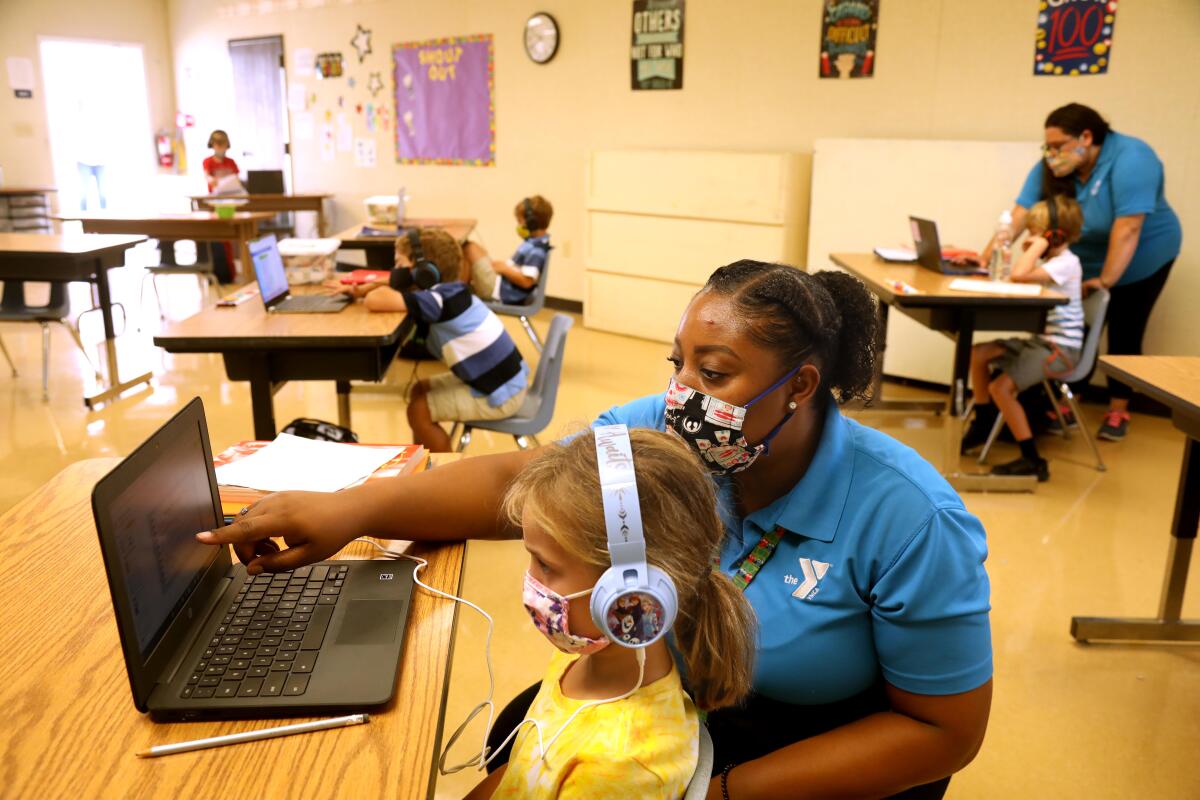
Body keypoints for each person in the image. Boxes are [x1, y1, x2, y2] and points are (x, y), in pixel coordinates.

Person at [199, 261, 993, 799]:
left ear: (802, 387)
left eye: (713, 374)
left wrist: (712, 793)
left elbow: (940, 730)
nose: (681, 394)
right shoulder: (666, 432)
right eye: (679, 362)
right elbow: (525, 482)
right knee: (521, 734)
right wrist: (356, 510)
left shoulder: (907, 517)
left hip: (803, 747)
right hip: (665, 700)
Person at [464, 428, 756, 799]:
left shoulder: (619, 768)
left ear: (628, 595)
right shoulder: (591, 656)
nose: (530, 581)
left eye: (545, 565)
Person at [983, 103, 1182, 442]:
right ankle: (1067, 400)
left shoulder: (1133, 158)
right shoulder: (1056, 164)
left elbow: (1129, 228)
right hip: (1085, 258)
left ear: (1086, 138)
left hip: (1142, 256)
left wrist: (1106, 281)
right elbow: (1019, 212)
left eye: (1058, 145)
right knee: (1077, 328)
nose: (1051, 153)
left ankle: (1118, 409)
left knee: (1124, 330)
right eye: (1047, 146)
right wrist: (986, 257)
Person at [345, 227, 529, 452]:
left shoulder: (438, 300)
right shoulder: (452, 291)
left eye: (400, 265)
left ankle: (443, 476)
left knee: (419, 410)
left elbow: (375, 300)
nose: (396, 271)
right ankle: (423, 462)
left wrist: (374, 288)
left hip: (500, 394)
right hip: (504, 381)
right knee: (419, 390)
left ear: (424, 273)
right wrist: (371, 286)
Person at [963, 197, 1085, 481]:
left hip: (1060, 349)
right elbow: (1020, 275)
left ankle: (1032, 458)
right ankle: (982, 422)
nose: (1028, 239)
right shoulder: (1055, 261)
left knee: (1001, 388)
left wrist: (1039, 246)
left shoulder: (1066, 263)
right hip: (1040, 342)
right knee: (978, 353)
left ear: (1054, 236)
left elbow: (1019, 274)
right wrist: (1040, 246)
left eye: (1035, 233)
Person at [462, 196, 552, 305]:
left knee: (468, 247)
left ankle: (457, 295)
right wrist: (503, 266)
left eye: (520, 221)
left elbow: (526, 281)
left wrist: (504, 268)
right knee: (474, 249)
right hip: (500, 284)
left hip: (500, 291)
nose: (518, 226)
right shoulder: (534, 243)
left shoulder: (537, 250)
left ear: (532, 223)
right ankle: (459, 292)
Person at [202, 130, 240, 282]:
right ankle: (219, 273)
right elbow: (207, 177)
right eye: (217, 144)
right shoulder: (208, 162)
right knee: (218, 239)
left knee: (230, 239)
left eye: (222, 144)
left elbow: (236, 178)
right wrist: (212, 180)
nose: (220, 147)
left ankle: (231, 272)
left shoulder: (231, 162)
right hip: (214, 202)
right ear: (212, 145)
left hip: (230, 201)